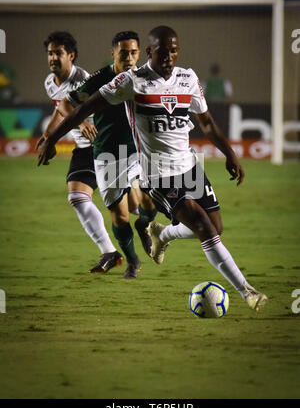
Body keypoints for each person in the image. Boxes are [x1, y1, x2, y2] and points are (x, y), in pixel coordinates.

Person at [37, 25, 267, 311]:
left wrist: (230, 154)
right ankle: (248, 291)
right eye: (162, 51)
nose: (169, 56)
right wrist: (51, 139)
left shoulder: (188, 78)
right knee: (202, 226)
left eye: (173, 50)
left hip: (189, 166)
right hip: (157, 173)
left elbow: (206, 122)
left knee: (215, 227)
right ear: (150, 52)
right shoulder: (131, 81)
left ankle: (163, 234)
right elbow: (83, 109)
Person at [55, 31, 157, 279]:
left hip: (136, 150)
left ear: (139, 53)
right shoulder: (100, 78)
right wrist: (80, 124)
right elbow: (65, 105)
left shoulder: (144, 76)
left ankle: (144, 225)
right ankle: (132, 261)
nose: (130, 58)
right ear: (113, 53)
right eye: (124, 53)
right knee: (121, 216)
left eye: (134, 52)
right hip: (107, 155)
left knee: (149, 202)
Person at [37, 31, 124, 274]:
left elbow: (78, 107)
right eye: (50, 53)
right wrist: (49, 135)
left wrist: (82, 122)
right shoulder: (49, 82)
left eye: (59, 53)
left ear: (71, 56)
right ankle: (109, 251)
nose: (53, 57)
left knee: (127, 204)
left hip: (104, 144)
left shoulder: (83, 79)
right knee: (77, 197)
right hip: (84, 149)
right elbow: (60, 108)